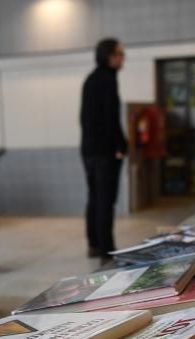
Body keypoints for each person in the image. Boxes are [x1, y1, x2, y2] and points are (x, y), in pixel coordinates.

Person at [80, 38, 127, 259]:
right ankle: (106, 250)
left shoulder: (90, 80)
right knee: (106, 200)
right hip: (104, 152)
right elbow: (111, 119)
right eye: (119, 53)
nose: (122, 57)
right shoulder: (107, 80)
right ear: (109, 56)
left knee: (94, 197)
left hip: (88, 150)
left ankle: (94, 244)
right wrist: (120, 145)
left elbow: (84, 119)